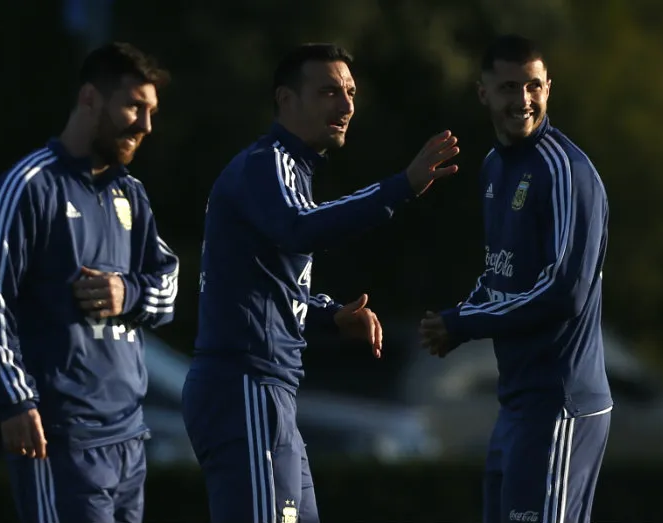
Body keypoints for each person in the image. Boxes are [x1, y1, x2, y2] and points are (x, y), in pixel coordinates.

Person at [182, 42, 459, 523]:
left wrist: (329, 315)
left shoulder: (290, 172)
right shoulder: (265, 163)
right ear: (286, 100)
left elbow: (268, 285)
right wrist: (401, 186)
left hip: (272, 390)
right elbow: (302, 227)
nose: (347, 105)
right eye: (330, 91)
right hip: (244, 385)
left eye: (350, 92)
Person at [0, 42, 179, 523]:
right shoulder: (26, 186)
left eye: (152, 112)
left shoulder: (131, 193)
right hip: (61, 440)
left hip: (128, 438)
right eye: (134, 107)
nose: (145, 125)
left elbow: (169, 281)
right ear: (89, 98)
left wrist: (130, 293)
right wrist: (15, 401)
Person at [418, 34, 613, 523]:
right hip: (518, 402)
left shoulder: (566, 171)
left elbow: (564, 290)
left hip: (561, 400)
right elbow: (500, 275)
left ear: (548, 88)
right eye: (508, 88)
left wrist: (464, 323)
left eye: (532, 86)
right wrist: (457, 320)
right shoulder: (492, 168)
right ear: (483, 92)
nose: (522, 101)